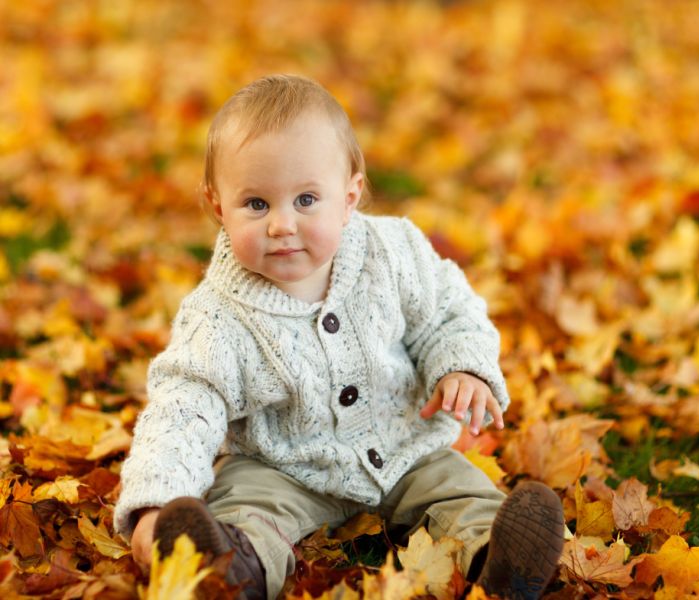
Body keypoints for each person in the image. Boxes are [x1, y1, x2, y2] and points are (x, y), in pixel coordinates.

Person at [113, 74, 564, 599]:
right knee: (245, 506)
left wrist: (460, 365)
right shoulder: (217, 317)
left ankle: (499, 560)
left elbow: (449, 310)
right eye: (256, 204)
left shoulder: (392, 252)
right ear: (218, 207)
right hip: (283, 467)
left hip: (404, 445)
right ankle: (229, 569)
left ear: (349, 197)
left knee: (459, 492)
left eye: (306, 199)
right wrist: (154, 503)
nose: (282, 224)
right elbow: (182, 409)